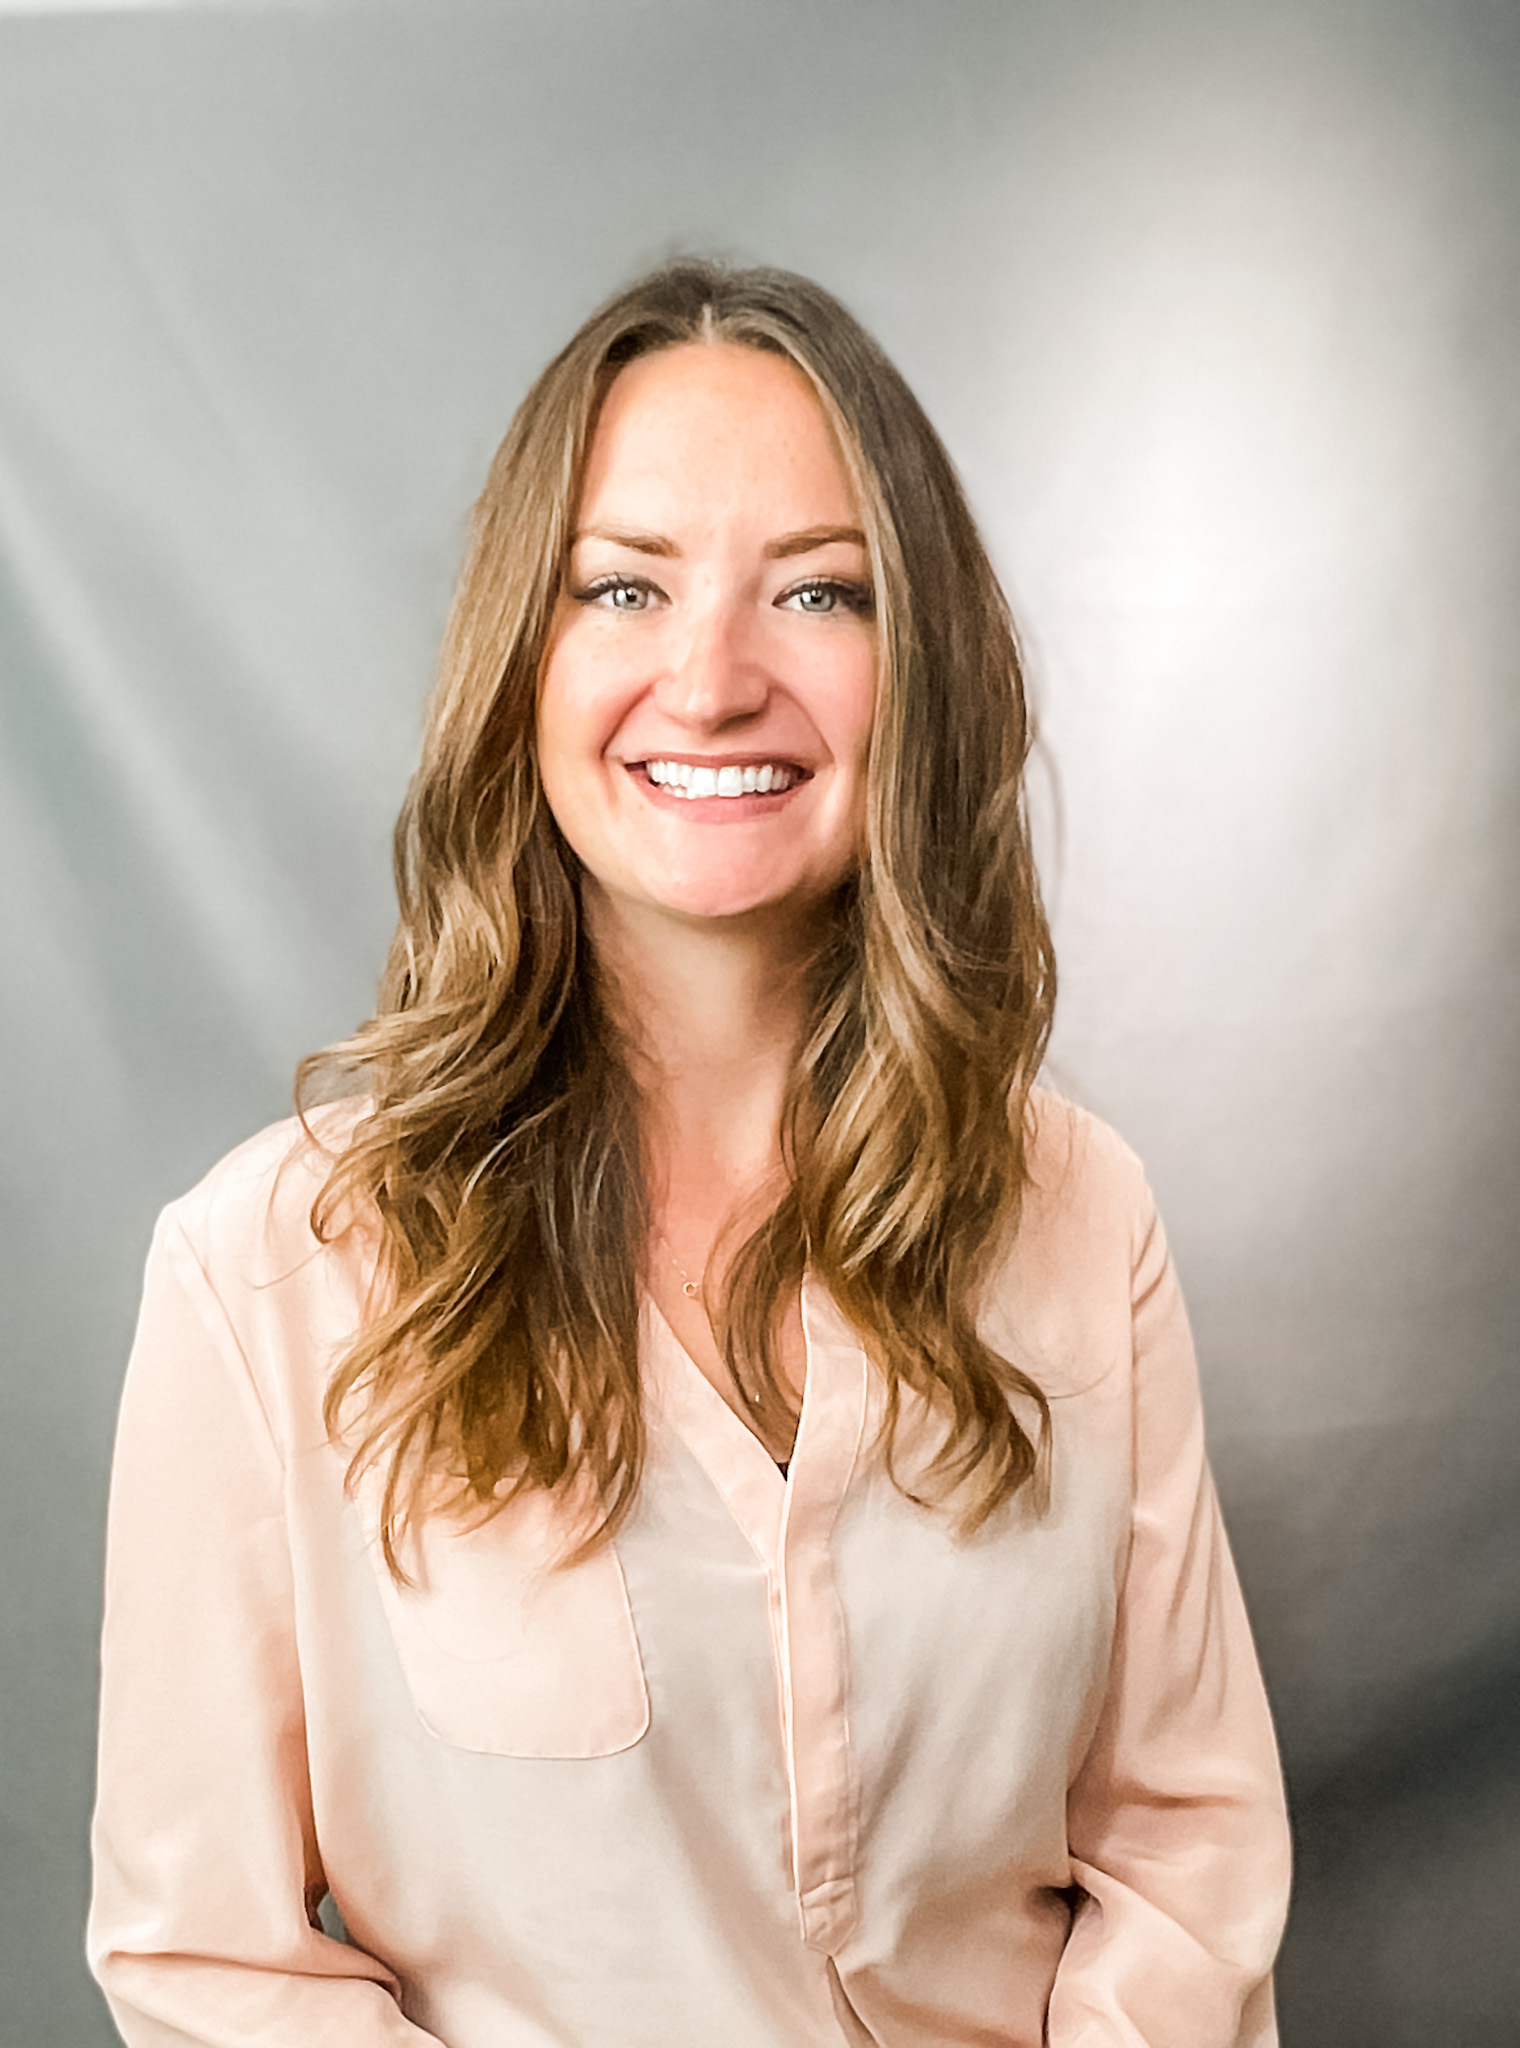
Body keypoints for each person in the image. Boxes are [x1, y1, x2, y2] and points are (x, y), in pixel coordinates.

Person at [87, 260, 1291, 2047]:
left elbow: (1184, 1864)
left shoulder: (1079, 1211)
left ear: (921, 667)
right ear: (524, 658)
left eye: (817, 590)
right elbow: (212, 1965)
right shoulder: (264, 1272)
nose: (713, 680)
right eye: (623, 587)